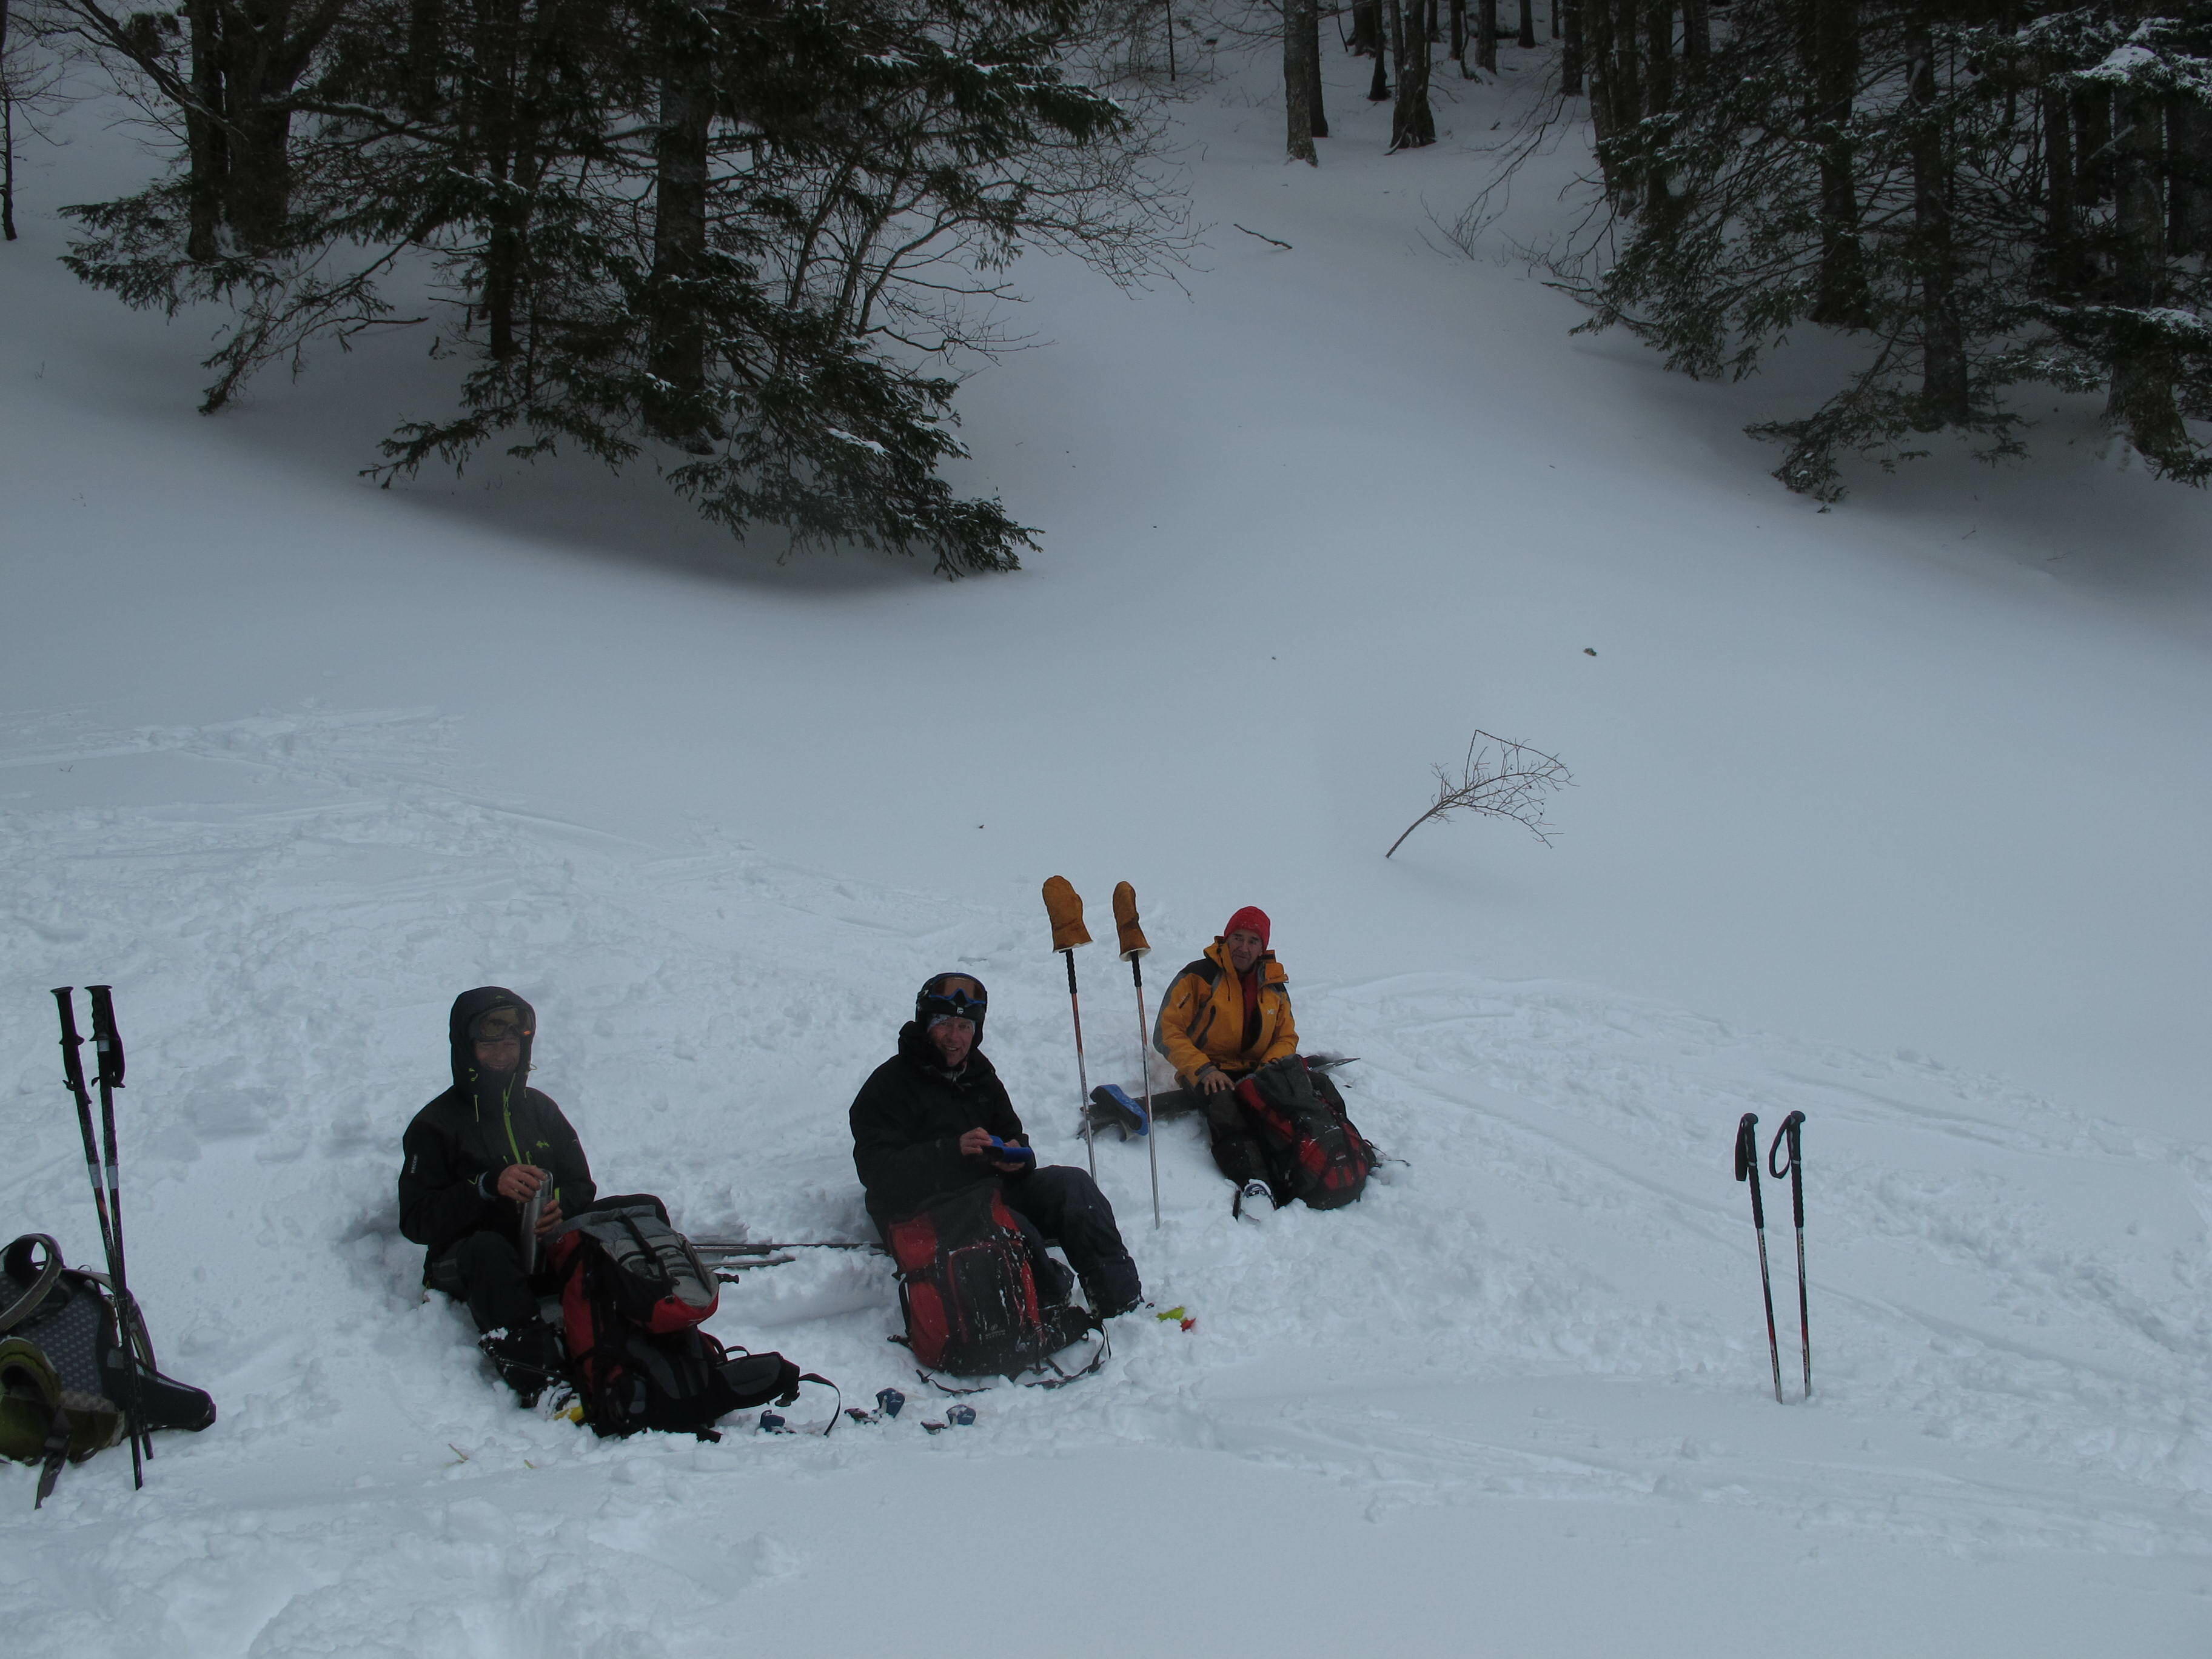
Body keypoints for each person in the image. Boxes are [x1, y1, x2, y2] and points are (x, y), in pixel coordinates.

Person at [850, 973, 1142, 1318]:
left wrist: (1016, 1157)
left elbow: (1012, 1132)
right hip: (926, 1212)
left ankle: (1120, 1303)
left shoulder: (978, 1073)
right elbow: (877, 1171)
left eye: (965, 1027)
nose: (955, 1037)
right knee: (1012, 1226)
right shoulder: (889, 1085)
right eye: (945, 1024)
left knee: (1072, 1186)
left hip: (987, 1192)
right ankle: (1044, 1309)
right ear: (926, 1025)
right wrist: (951, 1152)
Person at [398, 987, 595, 1404]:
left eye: (511, 1045)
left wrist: (561, 1204)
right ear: (466, 1048)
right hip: (469, 1263)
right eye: (490, 1045)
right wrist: (485, 1187)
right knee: (487, 1249)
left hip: (539, 1248)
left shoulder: (541, 1110)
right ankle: (545, 1384)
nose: (503, 1055)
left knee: (634, 1212)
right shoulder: (435, 1124)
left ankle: (638, 1349)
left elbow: (582, 1185)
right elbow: (416, 1221)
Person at [1152, 905, 1298, 1220]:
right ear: (1226, 938)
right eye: (1238, 938)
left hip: (1258, 1068)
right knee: (1226, 1106)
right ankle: (1253, 1181)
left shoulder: (1274, 984)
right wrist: (1203, 1069)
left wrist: (1269, 1068)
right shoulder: (1200, 976)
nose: (1244, 948)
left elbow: (1287, 1037)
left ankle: (1323, 1158)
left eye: (1253, 941)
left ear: (1263, 947)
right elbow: (1166, 1031)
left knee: (1301, 1093)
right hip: (1209, 1068)